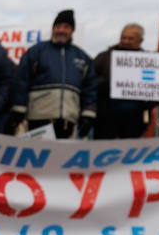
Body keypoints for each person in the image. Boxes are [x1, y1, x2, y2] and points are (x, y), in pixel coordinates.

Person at [8, 9, 96, 138]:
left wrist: (88, 114)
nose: (61, 30)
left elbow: (90, 88)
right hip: (39, 119)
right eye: (58, 26)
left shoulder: (82, 57)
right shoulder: (36, 52)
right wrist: (19, 109)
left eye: (66, 27)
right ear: (53, 29)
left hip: (68, 120)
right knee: (37, 155)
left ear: (72, 31)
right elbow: (21, 81)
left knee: (62, 157)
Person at [93, 23, 155, 138]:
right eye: (123, 37)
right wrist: (108, 83)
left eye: (130, 38)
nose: (125, 41)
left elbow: (158, 88)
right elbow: (90, 82)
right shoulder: (104, 57)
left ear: (140, 41)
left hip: (135, 120)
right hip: (106, 118)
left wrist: (150, 104)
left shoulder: (149, 61)